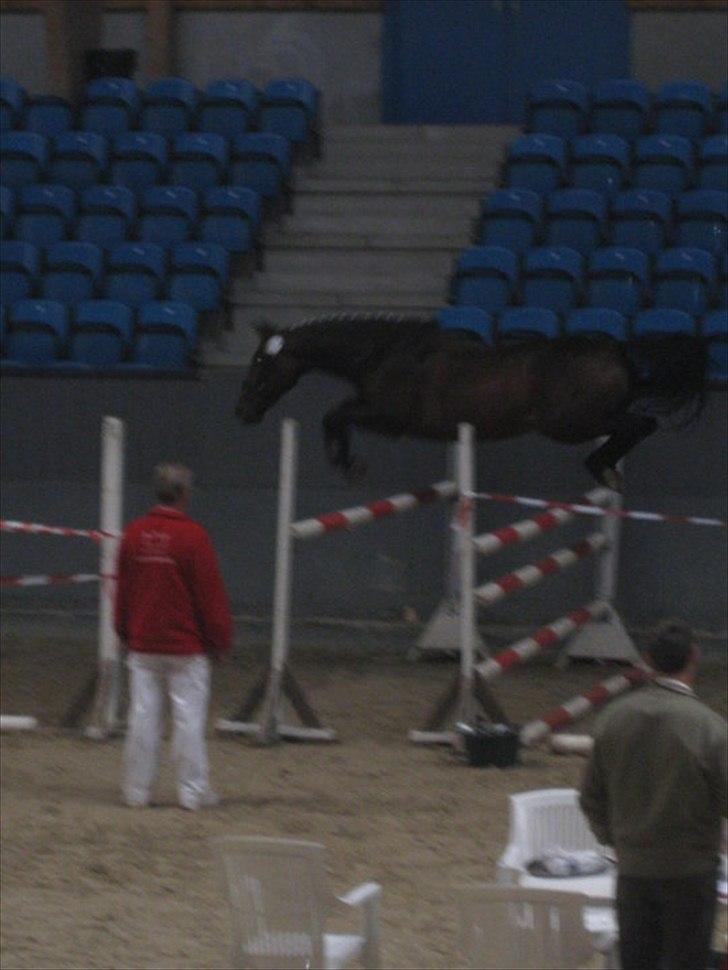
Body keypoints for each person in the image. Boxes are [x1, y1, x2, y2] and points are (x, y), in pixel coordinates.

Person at [580, 618, 727, 970]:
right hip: (690, 872)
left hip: (633, 869)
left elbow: (591, 796)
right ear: (694, 656)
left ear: (647, 659)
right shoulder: (708, 727)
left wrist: (614, 838)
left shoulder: (613, 719)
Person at [115, 463, 232, 810]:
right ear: (184, 494)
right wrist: (220, 640)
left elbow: (123, 591)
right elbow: (209, 595)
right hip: (186, 647)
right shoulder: (193, 537)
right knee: (188, 720)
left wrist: (123, 631)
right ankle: (192, 792)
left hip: (143, 644)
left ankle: (137, 791)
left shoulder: (133, 534)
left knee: (142, 717)